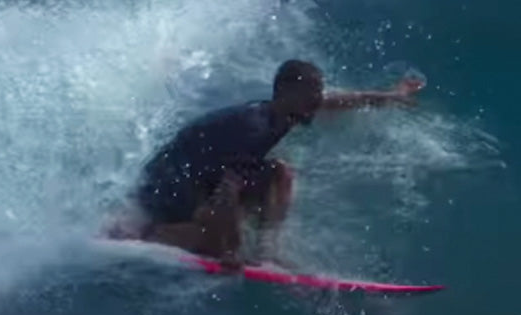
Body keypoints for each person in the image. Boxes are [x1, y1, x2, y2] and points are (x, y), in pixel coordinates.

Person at [107, 59, 424, 267]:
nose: (316, 104)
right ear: (285, 92)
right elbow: (227, 191)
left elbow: (336, 100)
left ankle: (267, 250)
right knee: (213, 245)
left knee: (281, 172)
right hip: (170, 179)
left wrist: (390, 96)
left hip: (199, 170)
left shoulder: (283, 111)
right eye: (310, 97)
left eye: (317, 97)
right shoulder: (253, 129)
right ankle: (144, 231)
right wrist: (229, 254)